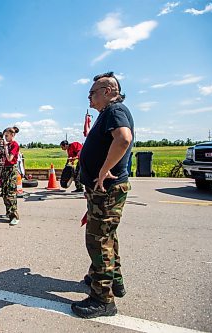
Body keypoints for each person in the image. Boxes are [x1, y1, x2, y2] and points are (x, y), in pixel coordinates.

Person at [71, 72, 134, 319]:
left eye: (93, 92)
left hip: (107, 189)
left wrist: (104, 170)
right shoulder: (108, 113)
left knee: (98, 241)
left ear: (108, 91)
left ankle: (102, 299)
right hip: (103, 191)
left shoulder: (114, 110)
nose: (89, 96)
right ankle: (112, 280)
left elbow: (123, 139)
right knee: (107, 237)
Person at [1, 126, 20, 226]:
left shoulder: (14, 145)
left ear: (12, 135)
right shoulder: (8, 144)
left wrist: (5, 148)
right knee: (4, 193)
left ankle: (15, 216)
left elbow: (9, 158)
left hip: (11, 169)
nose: (5, 138)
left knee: (11, 193)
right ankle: (8, 212)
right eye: (5, 136)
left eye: (7, 136)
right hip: (5, 169)